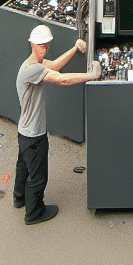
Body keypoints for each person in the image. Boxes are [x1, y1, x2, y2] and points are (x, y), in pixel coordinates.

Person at [14, 25, 100, 226]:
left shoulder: (32, 64)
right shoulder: (33, 69)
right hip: (34, 135)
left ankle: (19, 198)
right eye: (42, 45)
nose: (45, 49)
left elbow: (55, 66)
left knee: (23, 168)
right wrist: (91, 76)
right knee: (38, 177)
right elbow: (62, 80)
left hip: (24, 132)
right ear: (32, 44)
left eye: (47, 45)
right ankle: (34, 213)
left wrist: (74, 48)